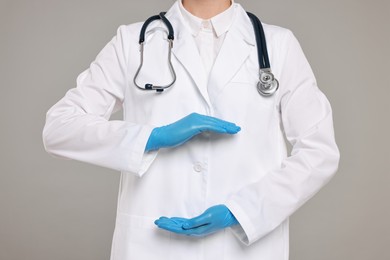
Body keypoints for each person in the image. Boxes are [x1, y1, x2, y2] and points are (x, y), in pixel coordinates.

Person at [42, 0, 340, 259]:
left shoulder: (278, 45)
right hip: (152, 245)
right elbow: (59, 127)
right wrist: (150, 137)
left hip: (244, 246)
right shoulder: (132, 42)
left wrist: (242, 212)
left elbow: (319, 152)